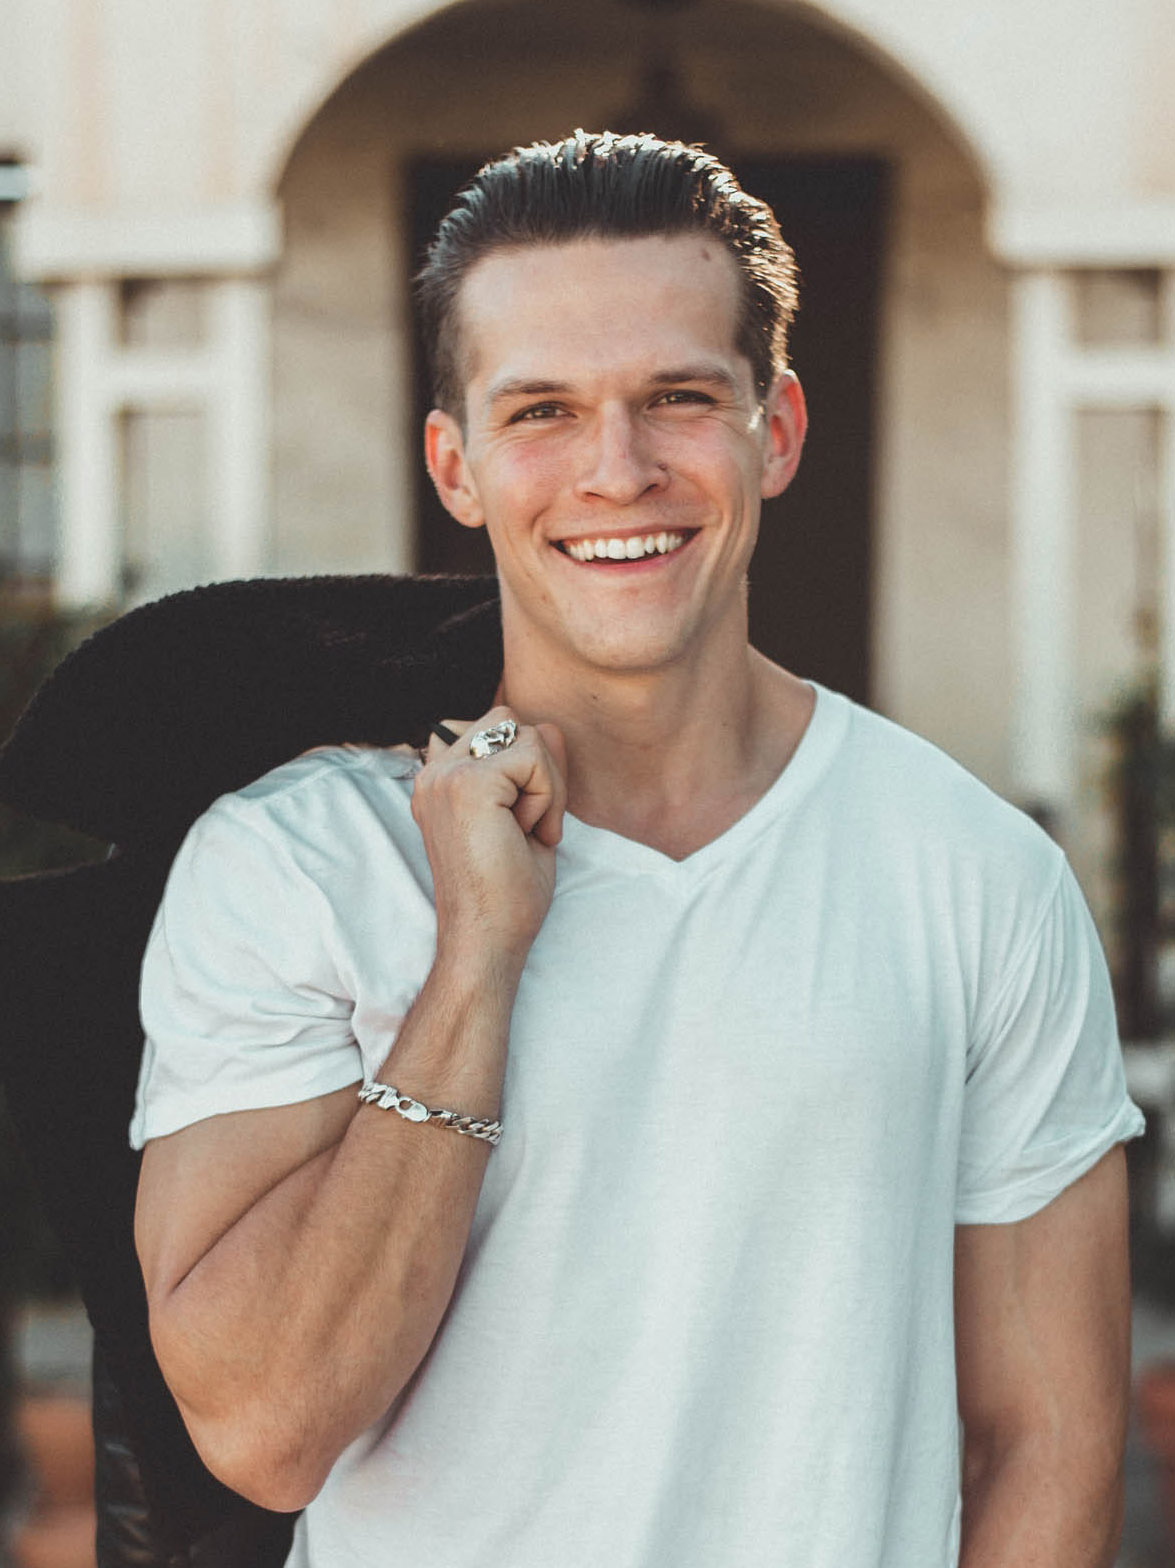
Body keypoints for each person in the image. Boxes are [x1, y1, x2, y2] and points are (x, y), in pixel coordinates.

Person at [130, 130, 1145, 1568]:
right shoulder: (293, 869)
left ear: (775, 431)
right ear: (457, 465)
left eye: (678, 398)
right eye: (541, 411)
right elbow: (264, 1430)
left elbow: (1047, 1443)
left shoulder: (975, 875)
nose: (617, 471)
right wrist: (475, 965)